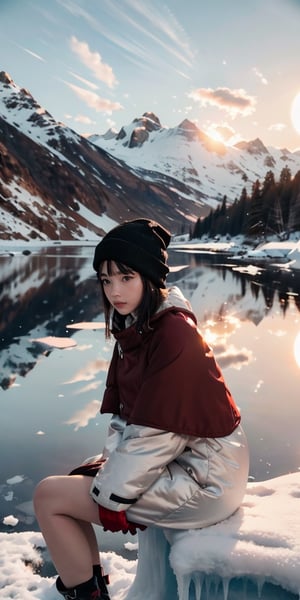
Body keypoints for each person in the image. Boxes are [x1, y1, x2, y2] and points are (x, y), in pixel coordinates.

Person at [33, 218, 249, 600]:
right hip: (192, 463)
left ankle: (85, 593)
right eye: (105, 279)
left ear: (149, 278)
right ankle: (90, 586)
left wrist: (113, 497)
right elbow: (129, 417)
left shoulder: (173, 336)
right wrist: (107, 474)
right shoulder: (141, 326)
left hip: (207, 482)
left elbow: (157, 433)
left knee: (49, 497)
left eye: (125, 277)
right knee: (80, 477)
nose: (114, 290)